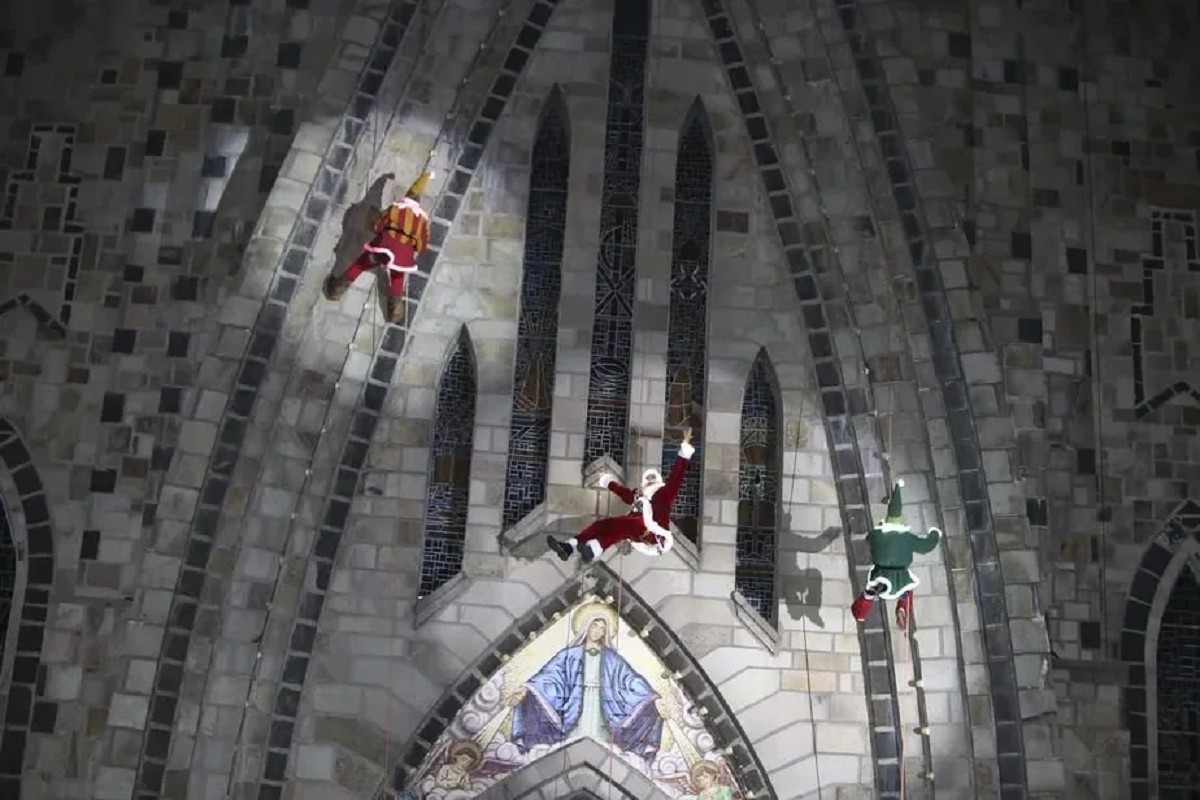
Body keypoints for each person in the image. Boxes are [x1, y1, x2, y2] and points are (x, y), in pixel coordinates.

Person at [502, 602, 668, 758]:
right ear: (586, 626)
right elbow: (550, 677)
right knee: (574, 738)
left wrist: (653, 698)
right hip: (576, 705)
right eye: (594, 626)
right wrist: (527, 689)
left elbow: (630, 680)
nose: (598, 631)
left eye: (602, 629)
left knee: (601, 742)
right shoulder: (569, 655)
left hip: (601, 705)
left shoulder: (612, 658)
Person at [547, 428, 696, 562]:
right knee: (603, 525)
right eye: (648, 479)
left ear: (657, 481)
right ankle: (570, 547)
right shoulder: (639, 496)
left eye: (652, 479)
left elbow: (676, 478)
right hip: (636, 529)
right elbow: (624, 494)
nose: (650, 482)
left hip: (653, 531)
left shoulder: (664, 494)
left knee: (620, 526)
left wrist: (684, 453)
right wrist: (608, 483)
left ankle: (594, 548)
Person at [324, 169, 434, 323]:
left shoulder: (395, 208)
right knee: (397, 276)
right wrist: (411, 246)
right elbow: (422, 245)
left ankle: (337, 289)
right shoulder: (422, 221)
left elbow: (378, 226)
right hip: (402, 256)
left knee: (362, 262)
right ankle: (395, 310)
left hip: (383, 248)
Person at [849, 479, 942, 630]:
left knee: (869, 593)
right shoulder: (907, 538)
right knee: (906, 589)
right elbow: (926, 546)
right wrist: (934, 534)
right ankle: (902, 608)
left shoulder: (877, 535)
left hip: (881, 575)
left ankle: (861, 613)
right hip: (900, 577)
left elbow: (870, 538)